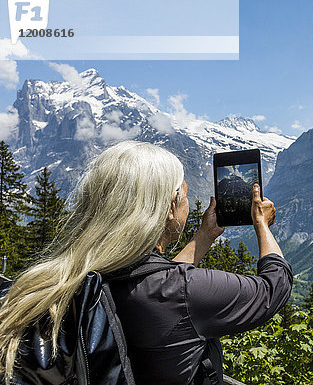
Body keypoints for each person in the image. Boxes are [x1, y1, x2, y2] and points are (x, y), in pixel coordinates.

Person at [0, 141, 293, 385]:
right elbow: (274, 287)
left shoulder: (79, 277)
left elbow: (158, 283)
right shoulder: (183, 290)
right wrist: (261, 226)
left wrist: (203, 237)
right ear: (168, 207)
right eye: (185, 195)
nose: (188, 204)